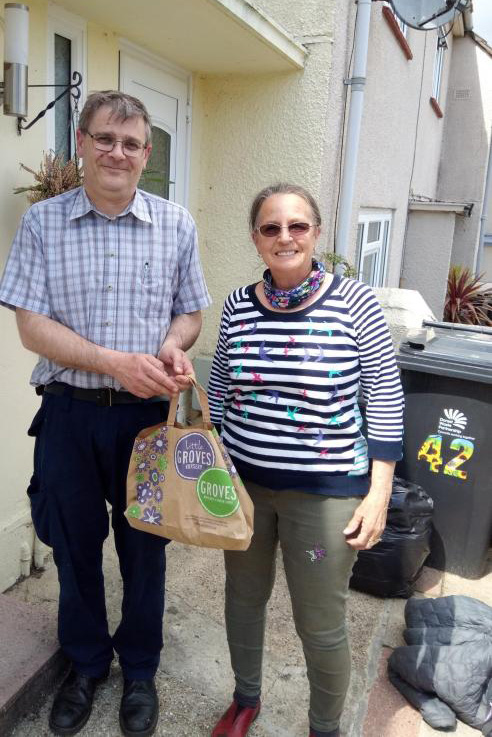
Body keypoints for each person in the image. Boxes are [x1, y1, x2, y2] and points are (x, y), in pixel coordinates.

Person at [0, 90, 211, 737]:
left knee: (146, 547)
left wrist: (173, 343)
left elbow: (191, 311)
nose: (118, 152)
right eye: (105, 139)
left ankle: (139, 668)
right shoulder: (43, 224)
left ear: (147, 154)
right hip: (69, 415)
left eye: (132, 143)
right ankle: (86, 663)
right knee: (73, 545)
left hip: (148, 422)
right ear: (83, 144)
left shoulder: (176, 225)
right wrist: (114, 361)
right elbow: (32, 327)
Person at [207, 183, 403, 737]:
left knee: (318, 622)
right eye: (271, 228)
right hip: (244, 490)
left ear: (316, 233)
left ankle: (325, 728)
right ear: (256, 239)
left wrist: (379, 493)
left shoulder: (355, 303)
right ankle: (245, 700)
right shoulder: (238, 306)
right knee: (243, 600)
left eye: (297, 226)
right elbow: (221, 385)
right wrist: (206, 454)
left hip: (324, 497)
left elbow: (385, 397)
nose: (285, 237)